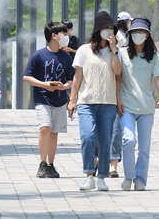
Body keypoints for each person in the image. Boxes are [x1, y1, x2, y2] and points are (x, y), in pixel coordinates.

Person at [68, 11, 121, 192]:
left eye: (111, 29)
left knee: (105, 140)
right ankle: (89, 175)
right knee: (87, 137)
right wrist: (72, 99)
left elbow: (118, 73)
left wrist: (114, 50)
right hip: (86, 101)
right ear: (98, 30)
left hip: (108, 102)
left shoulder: (116, 51)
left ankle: (102, 178)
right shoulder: (83, 50)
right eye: (105, 28)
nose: (109, 31)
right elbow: (77, 77)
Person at [118, 17, 159, 191]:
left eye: (141, 32)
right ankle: (129, 176)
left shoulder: (154, 56)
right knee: (129, 140)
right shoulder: (122, 54)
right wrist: (117, 99)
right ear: (130, 35)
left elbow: (158, 78)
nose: (138, 35)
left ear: (147, 35)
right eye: (135, 32)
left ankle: (141, 180)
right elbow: (117, 78)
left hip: (147, 107)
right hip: (127, 107)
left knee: (144, 147)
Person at [23, 21, 75, 178]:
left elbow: (72, 79)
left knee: (54, 133)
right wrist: (44, 85)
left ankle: (51, 164)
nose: (66, 36)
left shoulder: (66, 57)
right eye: (63, 34)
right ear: (54, 36)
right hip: (42, 98)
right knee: (44, 128)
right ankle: (42, 163)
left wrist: (64, 86)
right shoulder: (38, 55)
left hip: (60, 100)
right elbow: (27, 76)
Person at [109, 11, 132, 178]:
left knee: (116, 129)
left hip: (122, 86)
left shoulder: (128, 36)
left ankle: (113, 163)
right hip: (113, 83)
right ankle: (103, 161)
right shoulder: (118, 36)